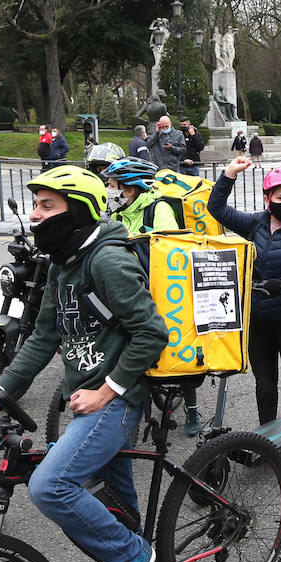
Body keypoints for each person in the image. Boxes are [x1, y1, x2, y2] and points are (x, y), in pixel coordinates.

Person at [0, 166, 167, 562]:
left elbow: (151, 333)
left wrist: (106, 389)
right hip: (88, 401)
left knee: (51, 487)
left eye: (47, 206)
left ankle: (131, 556)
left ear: (81, 210)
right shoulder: (62, 263)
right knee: (117, 510)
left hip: (117, 401)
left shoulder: (108, 262)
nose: (35, 215)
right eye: (36, 205)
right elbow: (43, 335)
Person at [208, 159, 281, 479]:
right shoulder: (255, 224)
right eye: (280, 197)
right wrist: (229, 174)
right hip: (259, 321)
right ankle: (267, 439)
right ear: (267, 199)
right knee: (265, 385)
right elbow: (216, 208)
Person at [103, 156, 201, 435]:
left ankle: (192, 408)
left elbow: (172, 251)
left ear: (131, 188)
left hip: (161, 290)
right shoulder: (119, 213)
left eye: (113, 185)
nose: (109, 191)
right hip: (128, 291)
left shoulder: (158, 210)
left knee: (178, 353)